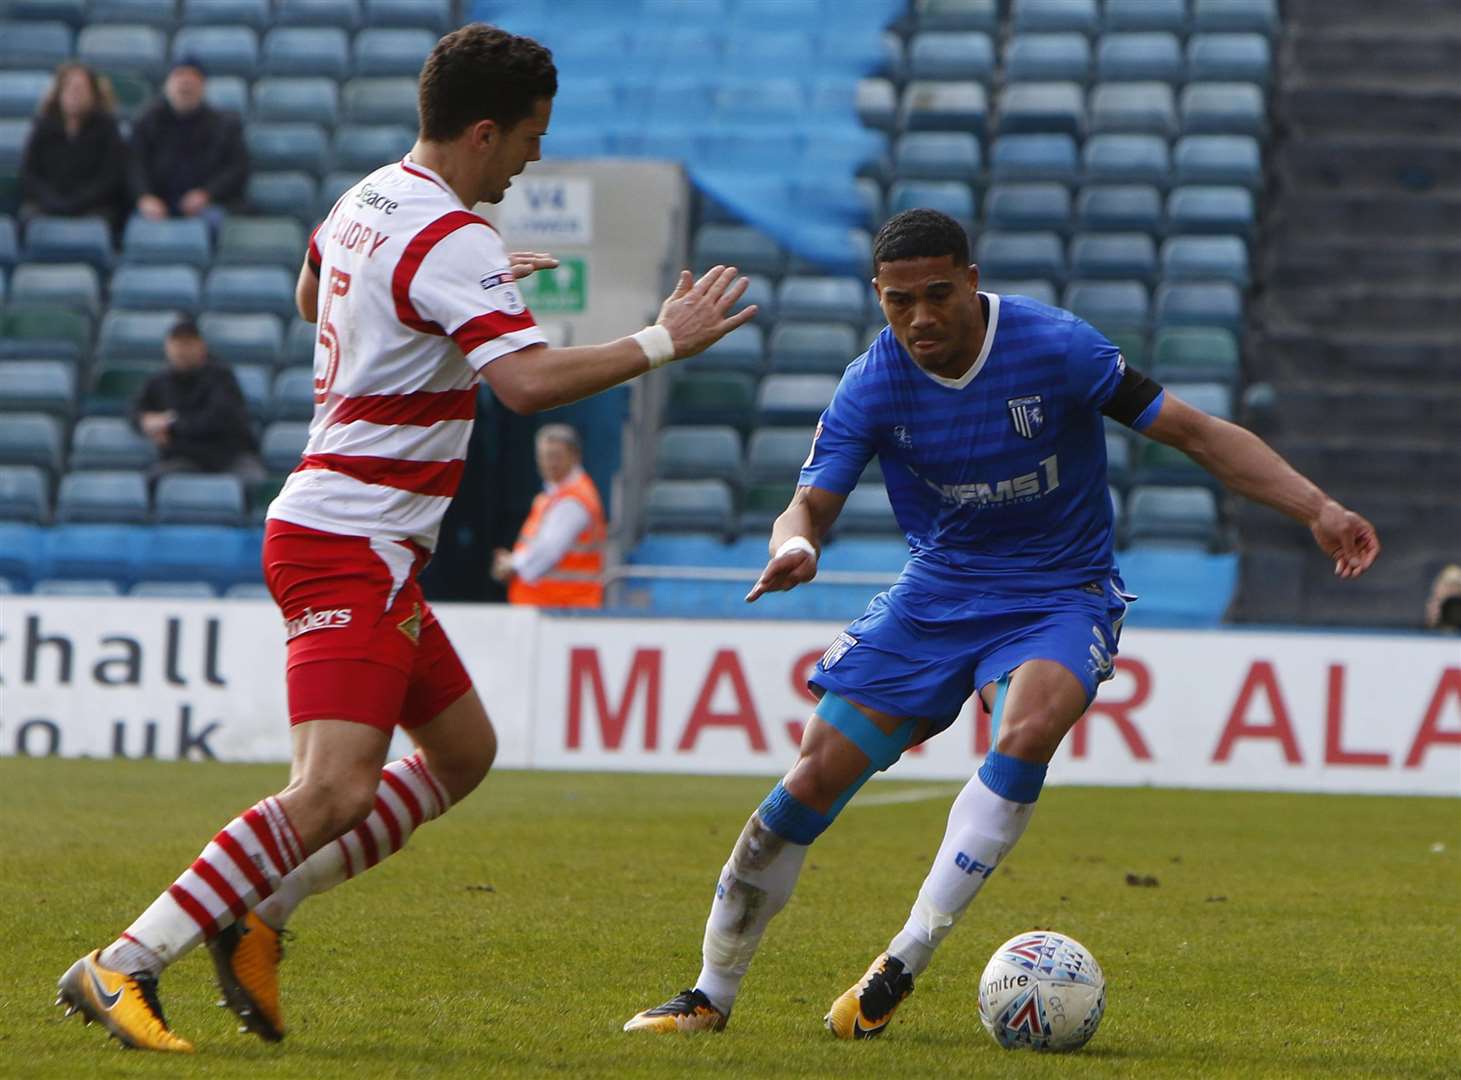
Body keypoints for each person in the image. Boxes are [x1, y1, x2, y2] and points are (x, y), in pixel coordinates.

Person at [55, 23, 755, 1054]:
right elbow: (520, 384)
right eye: (527, 138)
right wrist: (664, 339)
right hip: (350, 539)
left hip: (349, 534)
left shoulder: (368, 197)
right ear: (482, 131)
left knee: (462, 752)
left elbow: (310, 298)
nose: (531, 159)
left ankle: (263, 910)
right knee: (333, 787)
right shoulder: (451, 239)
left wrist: (443, 290)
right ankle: (122, 961)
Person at [625, 209, 1381, 1037]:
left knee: (1028, 726)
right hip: (936, 595)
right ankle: (708, 995)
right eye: (897, 301)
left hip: (1061, 590)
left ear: (971, 281)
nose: (919, 318)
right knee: (807, 784)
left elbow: (1194, 434)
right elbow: (809, 500)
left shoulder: (1056, 347)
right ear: (878, 298)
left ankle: (901, 960)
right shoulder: (872, 381)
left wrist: (1317, 506)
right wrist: (798, 543)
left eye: (937, 294)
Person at [131, 319, 265, 483]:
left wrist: (170, 424)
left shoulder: (221, 377)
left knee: (252, 481)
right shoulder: (159, 381)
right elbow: (136, 411)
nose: (182, 351)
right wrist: (146, 422)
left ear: (201, 345)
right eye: (177, 344)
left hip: (229, 455)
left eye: (188, 344)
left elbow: (215, 420)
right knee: (154, 480)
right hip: (184, 458)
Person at [491, 423, 606, 607]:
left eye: (556, 456)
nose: (549, 463)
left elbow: (548, 551)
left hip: (562, 610)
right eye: (544, 456)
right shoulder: (553, 495)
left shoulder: (573, 501)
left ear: (574, 456)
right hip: (551, 607)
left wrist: (512, 564)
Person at [128, 57, 247, 227]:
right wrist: (145, 197)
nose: (186, 83)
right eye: (179, 76)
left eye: (193, 77)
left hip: (209, 205)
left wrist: (206, 194)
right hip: (157, 204)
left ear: (203, 86)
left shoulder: (225, 125)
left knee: (215, 222)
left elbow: (237, 168)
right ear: (167, 85)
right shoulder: (146, 122)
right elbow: (134, 165)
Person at [19, 63, 130, 232]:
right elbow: (30, 174)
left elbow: (111, 177)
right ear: (59, 92)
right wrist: (53, 202)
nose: (74, 94)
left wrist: (77, 203)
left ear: (93, 93)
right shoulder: (43, 127)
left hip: (94, 207)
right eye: (69, 88)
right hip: (47, 204)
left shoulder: (108, 128)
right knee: (28, 217)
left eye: (81, 89)